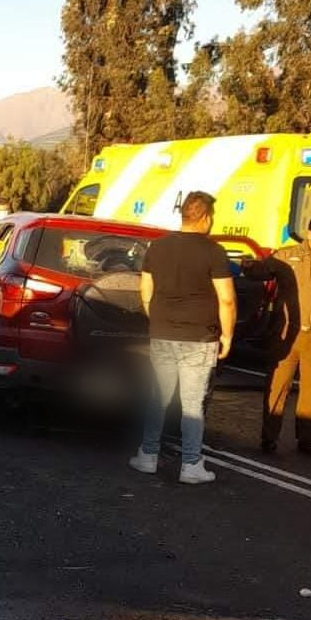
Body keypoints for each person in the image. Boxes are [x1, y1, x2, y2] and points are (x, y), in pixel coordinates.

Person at [129, 191, 236, 484]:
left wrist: (158, 317)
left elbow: (145, 290)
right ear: (206, 217)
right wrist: (227, 335)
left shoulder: (158, 247)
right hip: (200, 337)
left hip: (162, 332)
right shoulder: (214, 252)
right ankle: (191, 464)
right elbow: (226, 299)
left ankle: (148, 456)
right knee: (192, 404)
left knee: (158, 398)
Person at [244, 213, 311, 457]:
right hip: (287, 333)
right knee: (277, 386)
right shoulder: (287, 257)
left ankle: (308, 440)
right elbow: (260, 272)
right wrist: (249, 265)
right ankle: (269, 438)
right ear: (309, 234)